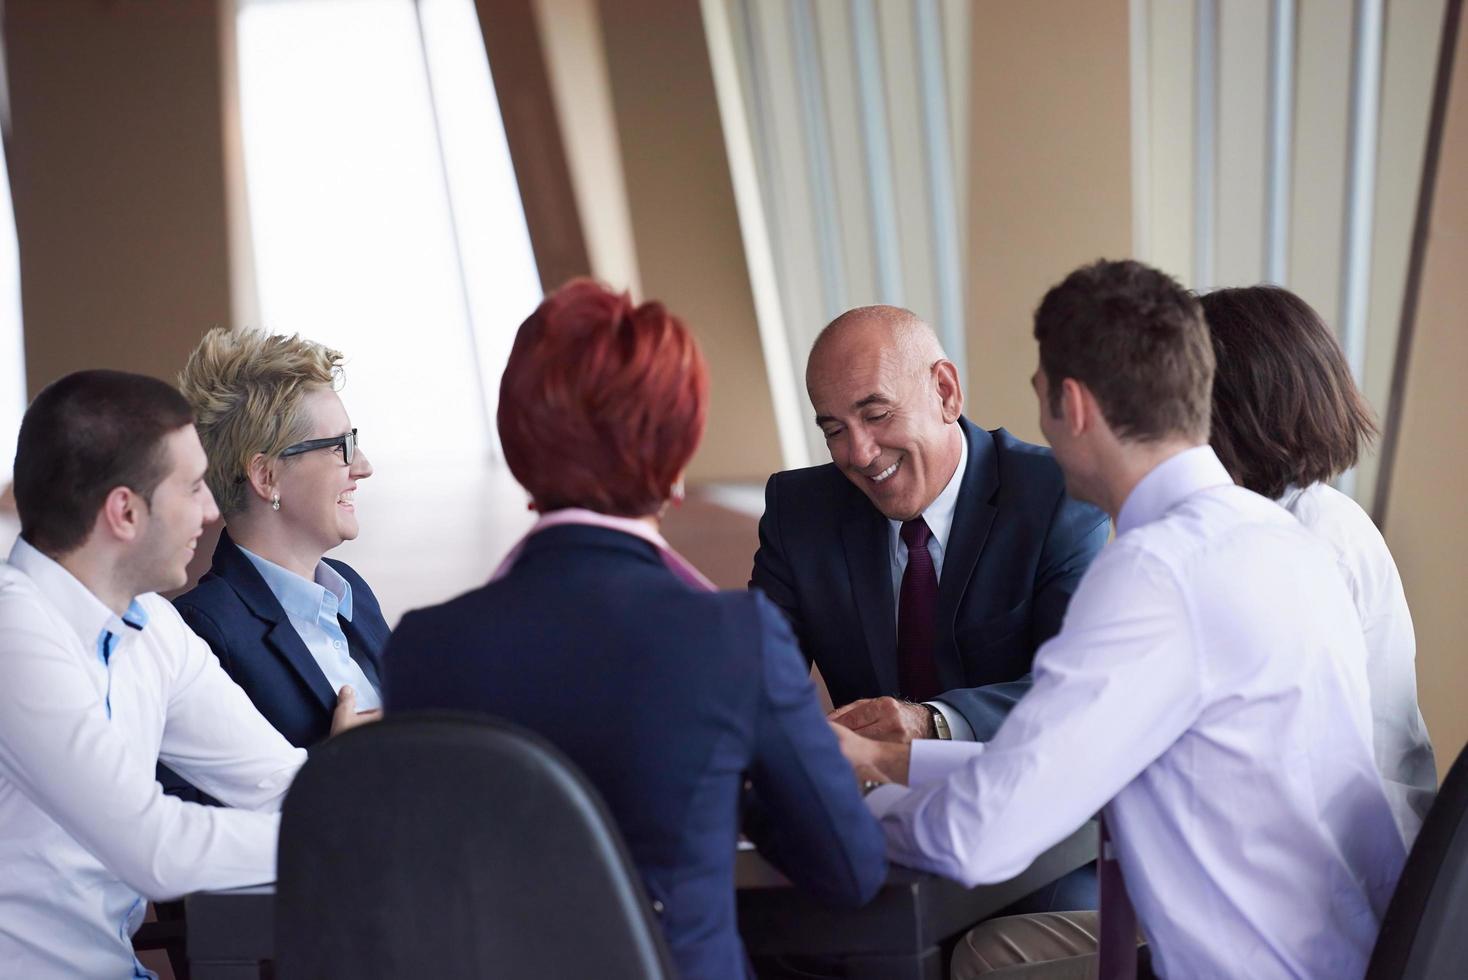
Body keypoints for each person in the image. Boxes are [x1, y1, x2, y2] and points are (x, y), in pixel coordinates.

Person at [835, 260, 1406, 979]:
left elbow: (977, 838)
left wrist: (836, 805)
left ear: (1072, 406)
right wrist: (893, 762)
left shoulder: (1154, 573)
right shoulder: (1279, 540)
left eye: (1040, 398)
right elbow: (1075, 758)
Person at [384, 280, 887, 980]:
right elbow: (849, 870)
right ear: (675, 461)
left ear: (520, 447)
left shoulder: (421, 648)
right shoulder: (732, 638)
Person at [0, 370, 309, 978]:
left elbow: (277, 784)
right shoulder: (13, 631)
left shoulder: (155, 630)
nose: (213, 510)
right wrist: (352, 838)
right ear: (125, 512)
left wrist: (385, 806)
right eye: (193, 487)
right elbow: (155, 849)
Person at [750, 305, 1109, 746]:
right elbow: (756, 677)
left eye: (876, 415)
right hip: (869, 800)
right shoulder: (800, 510)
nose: (859, 455)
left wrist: (935, 723)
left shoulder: (1061, 494)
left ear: (945, 392)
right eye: (834, 430)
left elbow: (1081, 684)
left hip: (1018, 788)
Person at [1201, 284, 1435, 845]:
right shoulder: (1317, 520)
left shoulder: (1295, 548)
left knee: (992, 937)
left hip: (1323, 887)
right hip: (1342, 864)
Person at [171, 328, 387, 752]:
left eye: (355, 441)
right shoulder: (204, 634)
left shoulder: (350, 590)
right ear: (266, 476)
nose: (362, 466)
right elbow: (199, 806)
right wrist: (331, 765)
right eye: (340, 446)